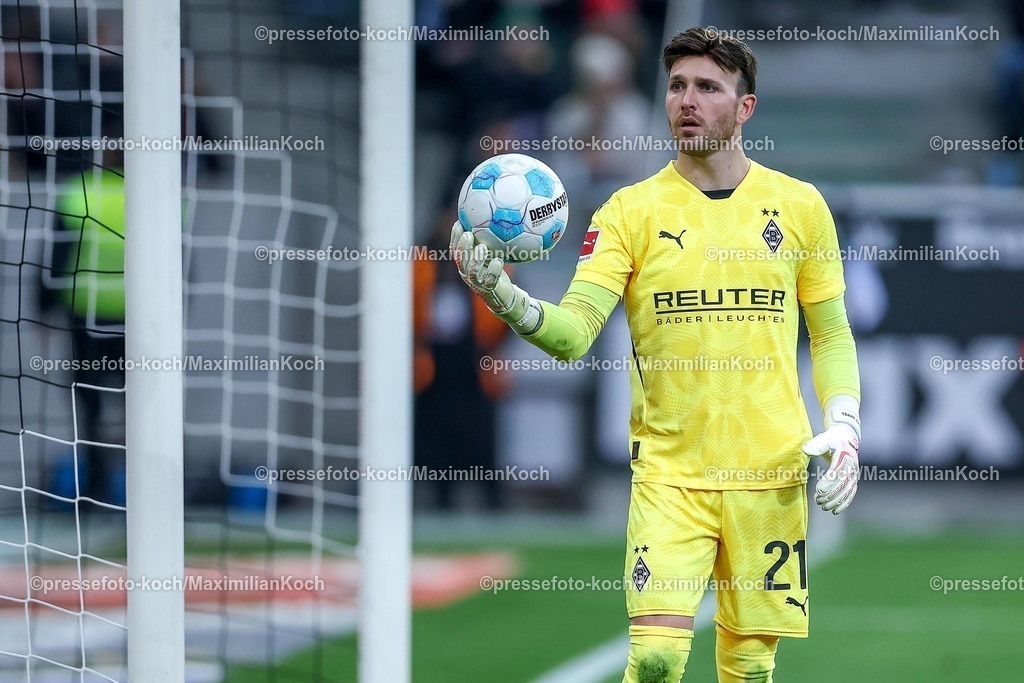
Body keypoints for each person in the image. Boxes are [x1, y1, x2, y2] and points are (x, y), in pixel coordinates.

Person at [450, 27, 860, 682]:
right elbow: (575, 331)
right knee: (657, 658)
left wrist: (844, 426)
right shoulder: (627, 212)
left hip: (772, 475)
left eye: (707, 87)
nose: (687, 101)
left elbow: (832, 333)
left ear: (745, 107)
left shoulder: (801, 207)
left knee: (751, 668)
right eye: (676, 86)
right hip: (671, 477)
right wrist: (506, 296)